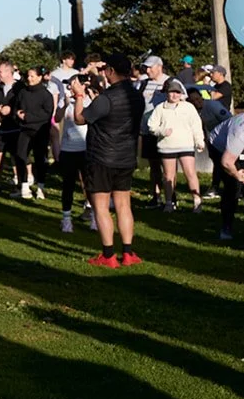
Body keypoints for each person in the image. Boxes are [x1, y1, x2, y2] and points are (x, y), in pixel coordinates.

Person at [76, 53, 147, 268]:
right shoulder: (137, 96)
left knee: (101, 206)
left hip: (102, 157)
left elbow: (80, 118)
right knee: (124, 205)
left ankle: (108, 255)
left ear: (111, 71)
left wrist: (79, 96)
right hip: (126, 156)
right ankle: (128, 252)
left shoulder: (106, 98)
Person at [147, 79, 205, 212]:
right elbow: (152, 125)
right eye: (172, 92)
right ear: (167, 93)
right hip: (167, 146)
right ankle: (169, 203)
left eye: (177, 93)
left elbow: (196, 125)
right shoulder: (160, 108)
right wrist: (161, 131)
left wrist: (199, 141)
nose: (175, 95)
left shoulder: (188, 107)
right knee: (168, 176)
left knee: (190, 173)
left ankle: (197, 201)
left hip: (186, 145)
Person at [208, 113, 244, 244]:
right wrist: (238, 175)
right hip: (221, 147)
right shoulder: (240, 134)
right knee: (233, 187)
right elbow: (226, 162)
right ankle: (227, 227)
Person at [54, 75, 96, 234]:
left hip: (86, 149)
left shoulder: (89, 102)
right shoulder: (67, 101)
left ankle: (93, 216)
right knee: (68, 186)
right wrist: (64, 104)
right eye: (69, 85)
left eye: (73, 84)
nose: (71, 87)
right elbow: (57, 118)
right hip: (68, 150)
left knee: (90, 185)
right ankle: (66, 218)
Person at [11, 65, 55, 202]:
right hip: (24, 129)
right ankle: (24, 185)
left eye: (32, 76)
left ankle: (40, 186)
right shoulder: (23, 92)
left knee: (40, 159)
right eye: (28, 76)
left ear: (40, 77)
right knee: (20, 155)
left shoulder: (46, 94)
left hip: (39, 131)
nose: (29, 79)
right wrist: (17, 114)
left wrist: (28, 116)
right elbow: (16, 106)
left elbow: (47, 114)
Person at [137, 55, 170, 204]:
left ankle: (171, 197)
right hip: (147, 130)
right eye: (146, 67)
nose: (147, 70)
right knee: (154, 165)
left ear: (159, 66)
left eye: (150, 67)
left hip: (165, 131)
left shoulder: (170, 82)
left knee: (168, 166)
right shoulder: (143, 83)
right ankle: (156, 196)